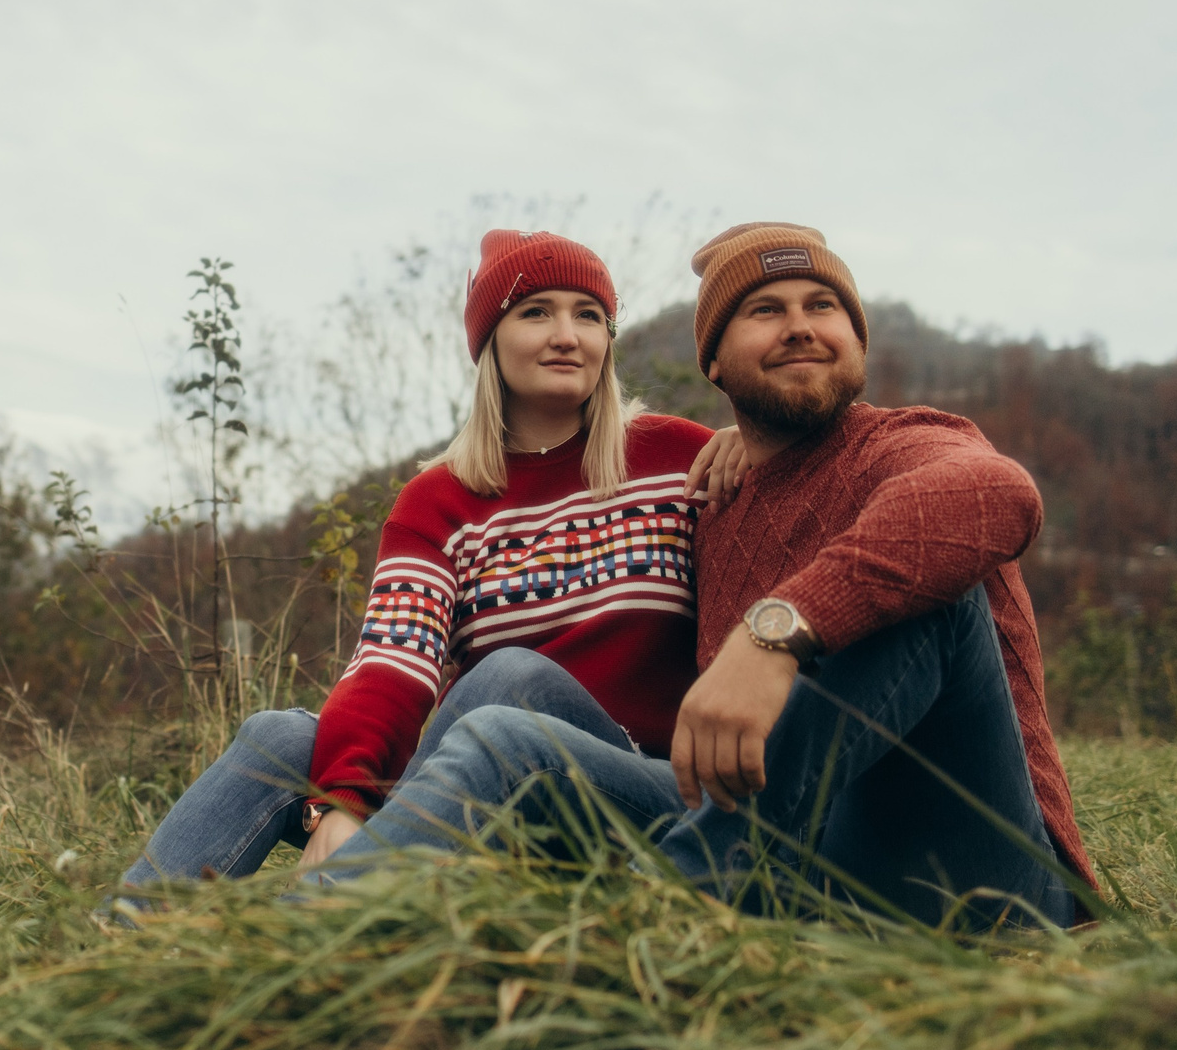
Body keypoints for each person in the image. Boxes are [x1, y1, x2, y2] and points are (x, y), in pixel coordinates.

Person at [309, 222, 1099, 929]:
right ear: (714, 359)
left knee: (925, 589)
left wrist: (778, 631)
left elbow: (996, 494)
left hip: (983, 868)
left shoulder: (906, 444)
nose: (800, 328)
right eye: (765, 310)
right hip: (809, 862)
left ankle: (674, 896)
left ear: (858, 340)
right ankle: (311, 931)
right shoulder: (711, 500)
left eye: (823, 305)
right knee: (502, 730)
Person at [122, 229, 741, 891]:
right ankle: (124, 943)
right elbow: (395, 658)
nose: (568, 335)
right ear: (489, 342)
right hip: (485, 780)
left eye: (588, 315)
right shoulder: (440, 499)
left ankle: (316, 928)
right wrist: (344, 799)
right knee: (279, 737)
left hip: (643, 789)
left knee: (510, 677)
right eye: (537, 312)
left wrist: (755, 443)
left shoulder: (682, 457)